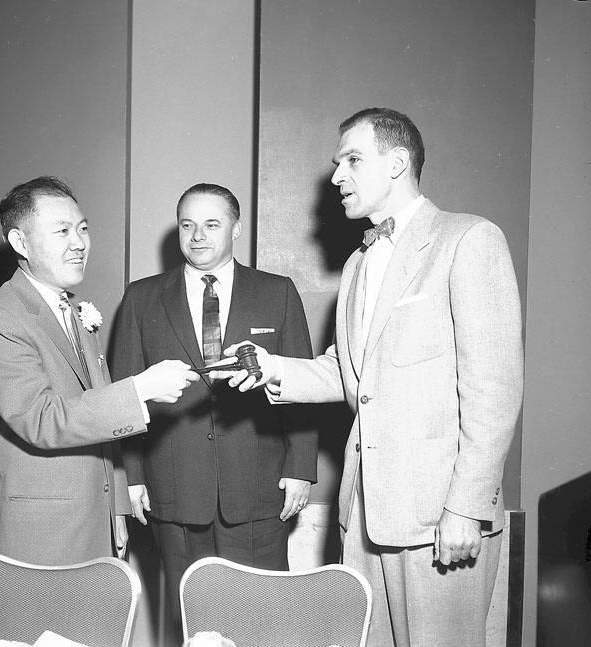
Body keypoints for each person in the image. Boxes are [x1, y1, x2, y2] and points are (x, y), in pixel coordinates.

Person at [220, 109, 524, 647]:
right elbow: (350, 372)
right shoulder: (359, 266)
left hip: (438, 518)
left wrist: (466, 508)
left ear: (398, 163)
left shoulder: (469, 240)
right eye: (338, 163)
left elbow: (494, 390)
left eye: (352, 160)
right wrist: (269, 366)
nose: (337, 176)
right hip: (365, 515)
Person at [110, 183, 317, 635]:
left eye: (211, 224)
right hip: (175, 489)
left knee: (261, 625)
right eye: (187, 224)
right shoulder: (143, 298)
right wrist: (133, 477)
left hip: (258, 492)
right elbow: (125, 394)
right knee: (191, 626)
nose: (197, 235)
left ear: (236, 228)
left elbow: (301, 386)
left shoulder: (277, 293)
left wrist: (301, 467)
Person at [0, 176, 199, 566]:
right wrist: (139, 389)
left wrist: (117, 512)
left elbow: (96, 424)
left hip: (97, 529)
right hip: (42, 537)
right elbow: (41, 419)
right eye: (61, 231)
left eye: (83, 228)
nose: (79, 243)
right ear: (20, 243)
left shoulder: (73, 312)